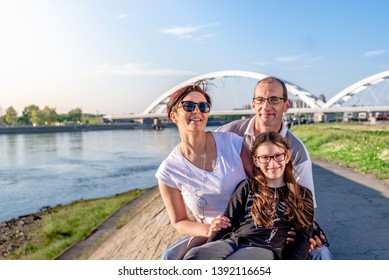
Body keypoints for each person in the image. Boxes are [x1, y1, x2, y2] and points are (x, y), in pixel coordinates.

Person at [216, 76, 332, 259]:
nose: (266, 106)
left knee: (320, 253)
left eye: (274, 100)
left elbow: (306, 205)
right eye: (260, 100)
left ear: (286, 105)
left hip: (277, 229)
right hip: (235, 224)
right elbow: (200, 158)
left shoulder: (297, 150)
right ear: (253, 104)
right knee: (174, 254)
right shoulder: (226, 134)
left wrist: (303, 233)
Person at [155, 81, 251, 260]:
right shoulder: (168, 171)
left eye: (203, 106)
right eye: (189, 106)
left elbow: (264, 183)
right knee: (169, 258)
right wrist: (209, 229)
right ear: (174, 115)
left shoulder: (232, 143)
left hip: (248, 225)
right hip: (211, 234)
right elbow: (179, 221)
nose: (196, 111)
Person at [184, 131, 314, 260]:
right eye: (264, 158)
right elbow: (226, 223)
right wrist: (210, 246)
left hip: (264, 248)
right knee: (195, 255)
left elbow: (303, 238)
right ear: (256, 161)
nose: (272, 163)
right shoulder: (247, 187)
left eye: (278, 155)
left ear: (287, 156)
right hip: (233, 241)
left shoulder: (301, 194)